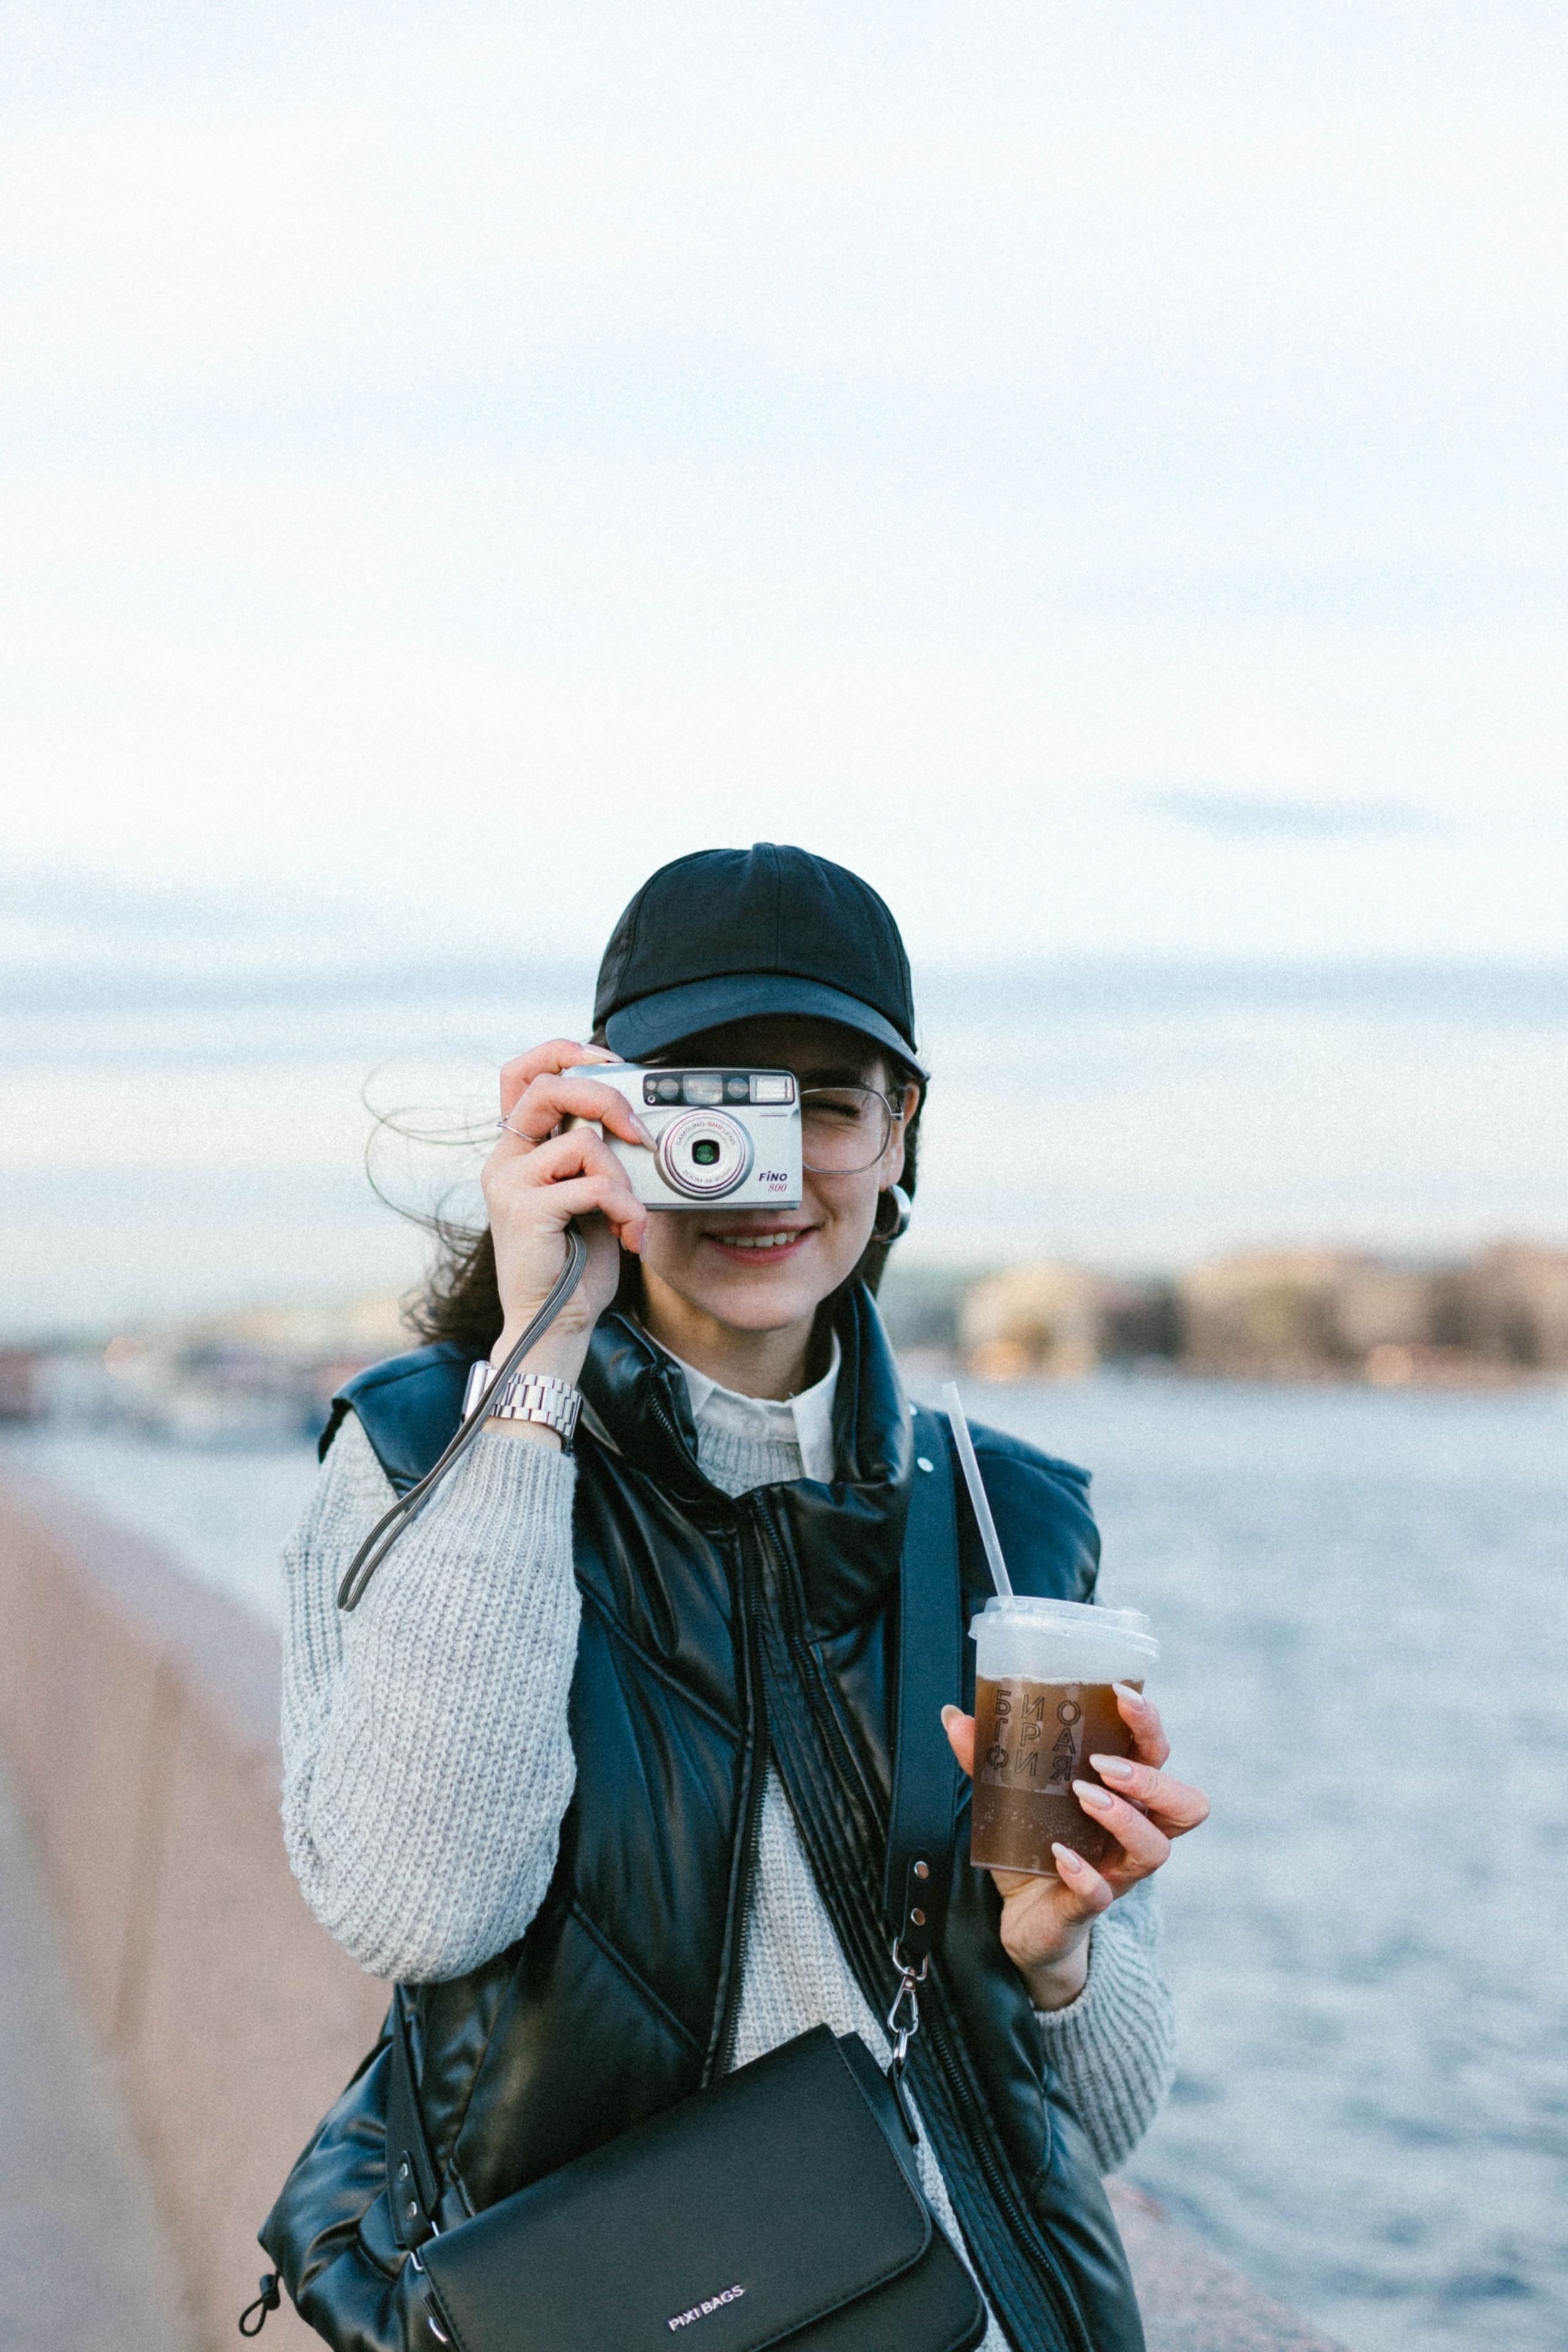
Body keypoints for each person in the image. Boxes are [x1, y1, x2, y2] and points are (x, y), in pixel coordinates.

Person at [266, 843, 1210, 2352]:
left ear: (900, 1136)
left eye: (823, 1103)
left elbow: (1095, 2129)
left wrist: (1058, 1958)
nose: (760, 1168)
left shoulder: (1010, 1521)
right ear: (597, 1130)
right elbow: (422, 1911)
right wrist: (532, 1370)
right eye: (704, 1106)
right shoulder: (422, 1447)